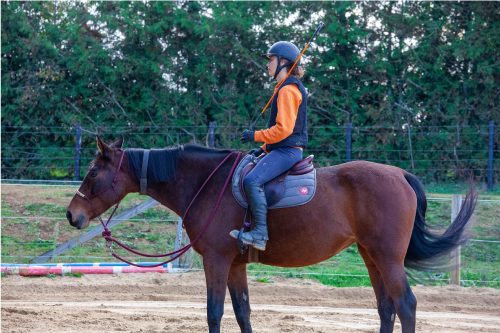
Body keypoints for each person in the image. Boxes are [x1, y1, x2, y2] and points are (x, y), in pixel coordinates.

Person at [229, 41, 308, 251]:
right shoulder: (282, 89)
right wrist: (263, 148)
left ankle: (259, 234)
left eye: (271, 59)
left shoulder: (288, 91)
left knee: (252, 180)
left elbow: (283, 130)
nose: (268, 64)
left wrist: (255, 136)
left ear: (283, 62)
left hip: (288, 151)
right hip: (280, 149)